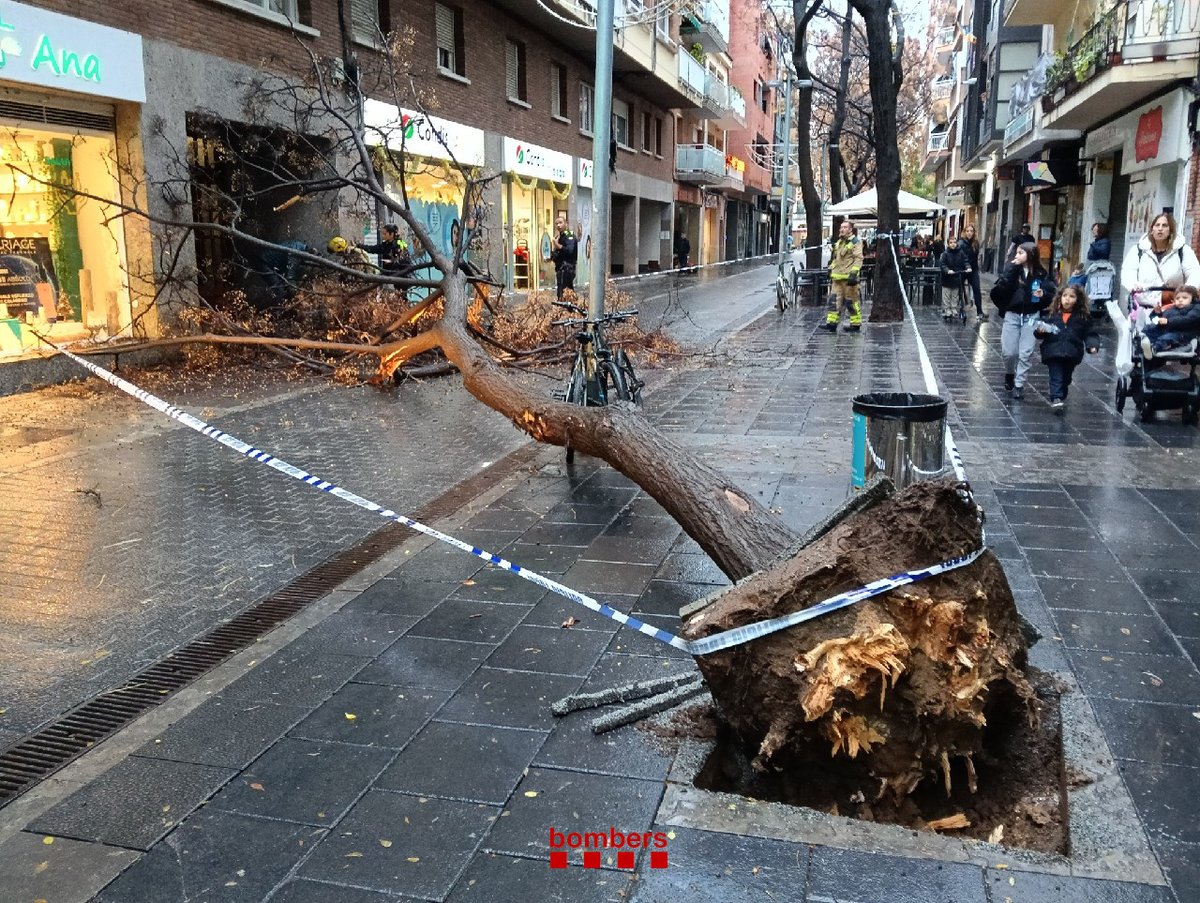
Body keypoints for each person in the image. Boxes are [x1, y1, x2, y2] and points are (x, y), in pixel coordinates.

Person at [991, 241, 1055, 400]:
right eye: (1017, 253)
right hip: (1012, 314)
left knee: (1026, 352)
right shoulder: (1012, 270)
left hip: (1031, 316)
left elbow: (1051, 294)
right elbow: (1002, 287)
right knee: (1009, 352)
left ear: (1031, 254)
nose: (1017, 255)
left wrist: (1043, 294)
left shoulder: (1041, 273)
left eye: (1021, 253)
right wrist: (1012, 268)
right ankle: (1009, 373)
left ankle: (1019, 384)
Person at [1036, 284, 1099, 413]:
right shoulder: (1052, 314)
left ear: (1078, 299)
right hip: (1053, 351)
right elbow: (1040, 330)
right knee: (1056, 376)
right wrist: (1040, 331)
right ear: (1060, 298)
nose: (1067, 299)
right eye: (1064, 296)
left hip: (1071, 352)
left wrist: (1092, 345)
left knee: (1066, 378)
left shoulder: (1082, 317)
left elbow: (1090, 333)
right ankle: (1056, 398)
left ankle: (1061, 394)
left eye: (1071, 296)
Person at [1120, 211, 1200, 313]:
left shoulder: (1183, 250)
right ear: (1152, 229)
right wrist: (1133, 285)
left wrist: (1187, 292)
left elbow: (1194, 272)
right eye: (1157, 225)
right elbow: (1128, 271)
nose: (1160, 228)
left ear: (1170, 230)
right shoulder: (1138, 250)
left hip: (1173, 308)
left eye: (1164, 225)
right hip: (1143, 308)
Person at [822, 220, 863, 333]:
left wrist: (854, 273)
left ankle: (855, 324)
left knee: (851, 302)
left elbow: (858, 259)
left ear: (850, 230)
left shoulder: (855, 242)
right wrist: (830, 269)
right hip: (837, 278)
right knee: (833, 301)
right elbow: (837, 259)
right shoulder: (839, 242)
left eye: (845, 227)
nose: (842, 229)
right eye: (841, 227)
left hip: (849, 279)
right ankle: (831, 323)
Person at [1140, 284, 1200, 359]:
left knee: (1167, 338)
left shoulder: (1196, 308)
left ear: (1193, 299)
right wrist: (1157, 314)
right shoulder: (1172, 309)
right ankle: (1144, 341)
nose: (1180, 300)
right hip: (1167, 329)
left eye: (1184, 298)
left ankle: (1154, 349)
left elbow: (1189, 320)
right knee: (1150, 328)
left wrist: (1168, 321)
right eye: (1177, 298)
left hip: (1183, 333)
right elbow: (1160, 319)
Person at [939, 234, 969, 322]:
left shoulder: (960, 253)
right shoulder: (945, 254)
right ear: (948, 244)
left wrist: (968, 267)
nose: (953, 244)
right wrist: (947, 270)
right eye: (951, 243)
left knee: (955, 295)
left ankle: (954, 308)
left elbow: (965, 261)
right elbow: (942, 264)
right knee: (947, 295)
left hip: (956, 277)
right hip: (947, 278)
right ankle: (947, 309)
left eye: (954, 242)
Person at [958, 223, 985, 321]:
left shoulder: (975, 243)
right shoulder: (961, 243)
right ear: (964, 232)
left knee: (977, 289)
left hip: (973, 270)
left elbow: (976, 256)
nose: (969, 233)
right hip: (963, 269)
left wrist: (976, 268)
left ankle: (980, 311)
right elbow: (961, 257)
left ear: (974, 232)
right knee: (959, 290)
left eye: (971, 231)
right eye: (967, 231)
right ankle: (960, 310)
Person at [551, 212, 578, 301]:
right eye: (556, 223)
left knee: (564, 292)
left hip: (567, 268)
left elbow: (570, 250)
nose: (558, 225)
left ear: (566, 223)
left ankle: (566, 307)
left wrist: (557, 245)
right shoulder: (559, 236)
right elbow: (557, 254)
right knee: (564, 291)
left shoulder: (569, 234)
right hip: (561, 268)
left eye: (560, 223)